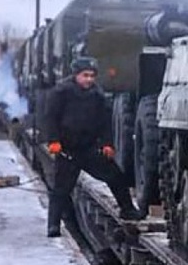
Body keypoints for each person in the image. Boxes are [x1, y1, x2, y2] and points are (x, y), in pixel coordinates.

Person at [44, 56, 144, 237]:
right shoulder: (61, 92)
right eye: (85, 75)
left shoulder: (98, 95)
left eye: (92, 76)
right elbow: (50, 118)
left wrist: (107, 144)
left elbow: (105, 122)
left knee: (115, 176)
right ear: (76, 75)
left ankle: (127, 209)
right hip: (67, 150)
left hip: (89, 149)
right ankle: (53, 225)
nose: (89, 79)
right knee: (61, 189)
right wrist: (53, 141)